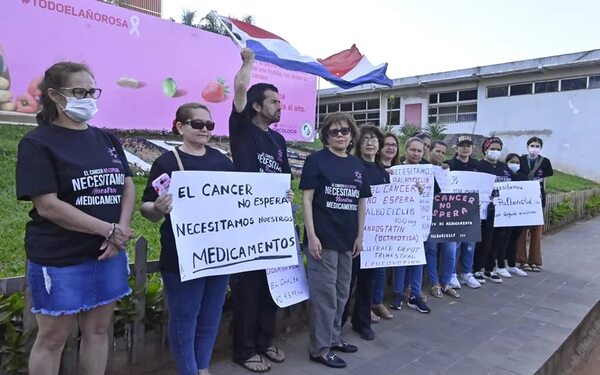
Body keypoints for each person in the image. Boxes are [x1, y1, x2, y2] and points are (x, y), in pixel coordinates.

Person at [16, 62, 135, 375]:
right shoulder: (37, 143)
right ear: (54, 95)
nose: (88, 98)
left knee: (98, 331)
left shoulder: (108, 140)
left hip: (108, 253)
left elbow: (126, 184)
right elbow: (48, 206)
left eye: (92, 91)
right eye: (79, 91)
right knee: (53, 338)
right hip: (60, 257)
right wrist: (108, 230)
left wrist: (120, 228)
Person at [140, 103, 235, 375]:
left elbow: (243, 200)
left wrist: (274, 199)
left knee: (210, 315)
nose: (205, 129)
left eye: (210, 125)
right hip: (183, 256)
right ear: (180, 126)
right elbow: (147, 208)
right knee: (185, 318)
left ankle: (202, 367)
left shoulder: (221, 161)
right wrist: (158, 208)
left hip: (219, 254)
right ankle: (188, 371)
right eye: (197, 124)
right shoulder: (167, 162)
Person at [228, 48, 292, 372]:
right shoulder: (242, 130)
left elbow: (283, 181)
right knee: (247, 289)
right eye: (273, 101)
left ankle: (265, 341)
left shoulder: (279, 141)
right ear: (256, 106)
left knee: (271, 287)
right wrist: (248, 63)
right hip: (246, 223)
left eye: (280, 101)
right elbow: (239, 90)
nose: (279, 106)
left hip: (274, 224)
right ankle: (244, 350)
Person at [301, 112, 370, 368]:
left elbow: (361, 202)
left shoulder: (356, 165)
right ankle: (320, 348)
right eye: (334, 131)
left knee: (342, 292)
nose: (340, 135)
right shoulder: (315, 160)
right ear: (326, 136)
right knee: (324, 295)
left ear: (352, 135)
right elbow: (307, 199)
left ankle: (334, 337)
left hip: (347, 239)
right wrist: (312, 235)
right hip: (324, 238)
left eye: (344, 131)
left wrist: (360, 235)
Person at [342, 124, 390, 341]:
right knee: (347, 281)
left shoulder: (384, 172)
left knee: (368, 281)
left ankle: (361, 321)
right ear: (358, 144)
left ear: (379, 145)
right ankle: (338, 322)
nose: (370, 143)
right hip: (354, 234)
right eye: (365, 139)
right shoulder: (353, 167)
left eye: (374, 139)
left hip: (376, 237)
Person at [389, 137, 431, 313]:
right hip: (400, 221)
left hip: (420, 221)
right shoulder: (396, 170)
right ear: (405, 150)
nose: (416, 153)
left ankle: (415, 294)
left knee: (417, 260)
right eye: (412, 150)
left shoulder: (428, 171)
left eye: (419, 151)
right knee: (401, 259)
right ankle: (398, 293)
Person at [472, 137, 513, 284]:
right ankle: (477, 269)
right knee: (483, 240)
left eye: (498, 149)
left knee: (497, 241)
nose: (495, 151)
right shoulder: (479, 166)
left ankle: (490, 269)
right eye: (492, 148)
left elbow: (514, 185)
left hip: (502, 211)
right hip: (484, 211)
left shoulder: (504, 167)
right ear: (485, 149)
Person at [446, 135, 481, 289]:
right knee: (456, 244)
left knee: (469, 243)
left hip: (471, 210)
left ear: (472, 148)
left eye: (468, 145)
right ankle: (452, 274)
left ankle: (466, 272)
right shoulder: (448, 164)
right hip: (453, 210)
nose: (465, 148)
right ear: (456, 148)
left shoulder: (477, 165)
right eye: (462, 145)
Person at [425, 141, 460, 298]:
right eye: (437, 151)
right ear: (429, 150)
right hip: (429, 215)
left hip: (447, 214)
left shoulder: (445, 170)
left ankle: (445, 282)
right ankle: (434, 283)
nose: (440, 154)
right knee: (431, 250)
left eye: (442, 152)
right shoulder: (423, 168)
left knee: (450, 251)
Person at [371, 133, 399, 321]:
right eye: (387, 144)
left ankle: (377, 301)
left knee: (381, 267)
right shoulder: (373, 168)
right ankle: (367, 304)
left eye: (394, 145)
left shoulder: (402, 170)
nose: (390, 148)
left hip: (390, 226)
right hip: (371, 225)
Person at [517, 137, 554, 272]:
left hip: (538, 198)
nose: (534, 148)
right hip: (522, 198)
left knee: (536, 231)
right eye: (532, 145)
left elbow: (547, 175)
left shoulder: (545, 162)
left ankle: (535, 260)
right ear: (527, 147)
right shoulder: (520, 160)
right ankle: (521, 259)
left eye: (537, 146)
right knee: (522, 231)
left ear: (541, 148)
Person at [501, 153, 529, 278]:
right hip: (504, 214)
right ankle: (500, 265)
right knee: (503, 240)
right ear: (506, 162)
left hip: (518, 215)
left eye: (517, 162)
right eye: (512, 162)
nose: (515, 164)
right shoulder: (503, 176)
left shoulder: (523, 177)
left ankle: (512, 265)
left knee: (514, 240)